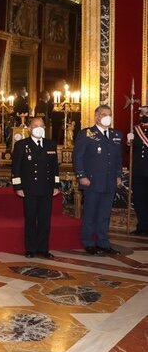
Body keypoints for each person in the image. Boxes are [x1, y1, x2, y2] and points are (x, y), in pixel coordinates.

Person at [73, 105, 123, 256]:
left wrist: (119, 175)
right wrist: (81, 176)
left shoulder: (116, 134)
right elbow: (78, 157)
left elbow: (118, 158)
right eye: (103, 114)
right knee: (90, 213)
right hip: (92, 181)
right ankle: (88, 242)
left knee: (105, 214)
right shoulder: (87, 134)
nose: (107, 116)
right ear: (97, 117)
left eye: (109, 114)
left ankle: (103, 242)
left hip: (110, 181)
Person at [12, 117, 61, 258]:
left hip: (46, 188)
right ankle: (30, 249)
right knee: (31, 219)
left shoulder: (50, 144)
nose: (39, 128)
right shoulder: (21, 145)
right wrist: (18, 186)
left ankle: (43, 249)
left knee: (45, 220)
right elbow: (16, 168)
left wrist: (56, 185)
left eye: (41, 125)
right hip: (29, 189)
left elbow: (54, 168)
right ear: (29, 128)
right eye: (35, 125)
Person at [127, 106, 148, 236]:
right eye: (142, 112)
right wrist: (128, 143)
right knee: (139, 200)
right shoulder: (135, 129)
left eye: (146, 112)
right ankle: (142, 226)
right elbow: (128, 152)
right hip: (138, 171)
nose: (143, 114)